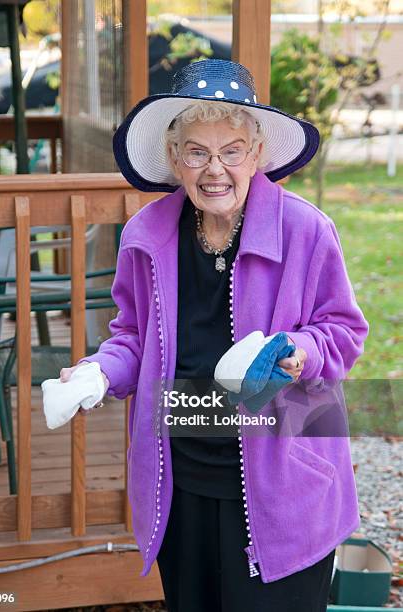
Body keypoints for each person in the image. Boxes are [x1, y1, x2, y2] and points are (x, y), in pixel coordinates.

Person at [60, 60, 369, 612]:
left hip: (284, 479)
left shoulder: (305, 229)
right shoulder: (146, 235)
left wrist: (299, 352)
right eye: (197, 151)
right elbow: (133, 335)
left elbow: (344, 330)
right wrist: (99, 371)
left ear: (256, 155)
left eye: (231, 150)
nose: (215, 169)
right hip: (184, 480)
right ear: (176, 159)